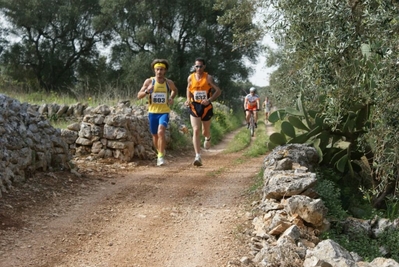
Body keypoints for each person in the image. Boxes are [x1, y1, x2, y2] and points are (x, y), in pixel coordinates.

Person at [137, 59, 178, 166]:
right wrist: (147, 91)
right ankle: (160, 151)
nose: (159, 72)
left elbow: (174, 90)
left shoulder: (168, 83)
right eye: (157, 69)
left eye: (161, 69)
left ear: (165, 71)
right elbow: (138, 95)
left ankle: (160, 156)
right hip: (152, 112)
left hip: (164, 112)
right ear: (154, 70)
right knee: (155, 135)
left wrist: (171, 97)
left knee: (161, 132)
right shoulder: (149, 82)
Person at [185, 57, 222, 167]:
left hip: (206, 107)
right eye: (197, 66)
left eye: (201, 66)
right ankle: (197, 155)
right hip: (194, 106)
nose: (199, 68)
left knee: (205, 131)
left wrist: (209, 100)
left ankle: (208, 137)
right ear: (194, 66)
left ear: (204, 67)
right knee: (195, 130)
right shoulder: (190, 77)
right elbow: (188, 89)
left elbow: (218, 91)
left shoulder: (209, 78)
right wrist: (188, 99)